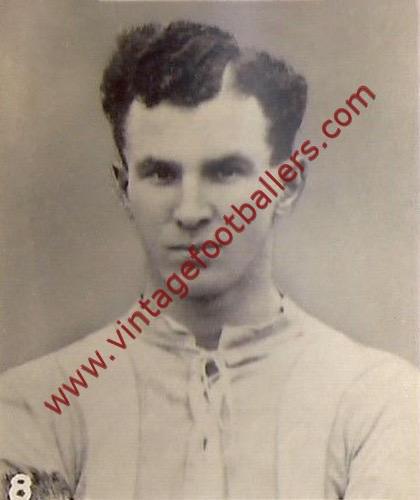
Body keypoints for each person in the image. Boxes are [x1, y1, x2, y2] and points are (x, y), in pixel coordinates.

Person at [0, 20, 418, 500]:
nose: (191, 211)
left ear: (286, 186)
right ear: (124, 189)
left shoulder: (377, 402)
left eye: (225, 171)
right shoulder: (37, 407)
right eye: (161, 174)